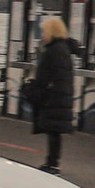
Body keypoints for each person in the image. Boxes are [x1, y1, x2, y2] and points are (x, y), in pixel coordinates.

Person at [28, 14, 81, 172]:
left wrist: (34, 89)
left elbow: (45, 76)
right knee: (54, 131)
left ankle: (52, 163)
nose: (42, 35)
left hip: (54, 97)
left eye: (44, 31)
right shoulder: (64, 50)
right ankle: (52, 162)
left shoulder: (53, 51)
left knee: (53, 132)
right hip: (61, 96)